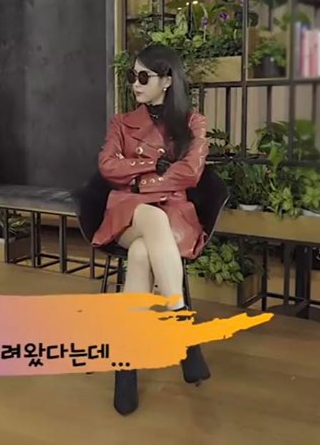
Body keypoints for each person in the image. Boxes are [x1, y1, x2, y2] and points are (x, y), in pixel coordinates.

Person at [92, 43, 210, 415]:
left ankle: (126, 366)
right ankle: (182, 325)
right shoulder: (121, 122)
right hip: (129, 212)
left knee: (142, 252)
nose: (135, 84)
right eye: (133, 76)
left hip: (173, 212)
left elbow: (191, 172)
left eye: (144, 77)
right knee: (150, 220)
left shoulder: (192, 123)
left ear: (167, 80)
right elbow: (107, 166)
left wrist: (141, 178)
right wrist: (150, 170)